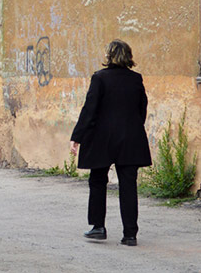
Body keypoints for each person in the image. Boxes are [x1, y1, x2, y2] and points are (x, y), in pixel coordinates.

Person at [70, 39, 152, 246]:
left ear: (109, 56)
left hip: (101, 139)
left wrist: (77, 137)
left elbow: (90, 110)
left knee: (98, 181)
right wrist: (132, 127)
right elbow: (142, 108)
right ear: (128, 56)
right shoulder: (136, 79)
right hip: (130, 139)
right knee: (128, 186)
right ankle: (130, 234)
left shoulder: (100, 78)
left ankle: (98, 227)